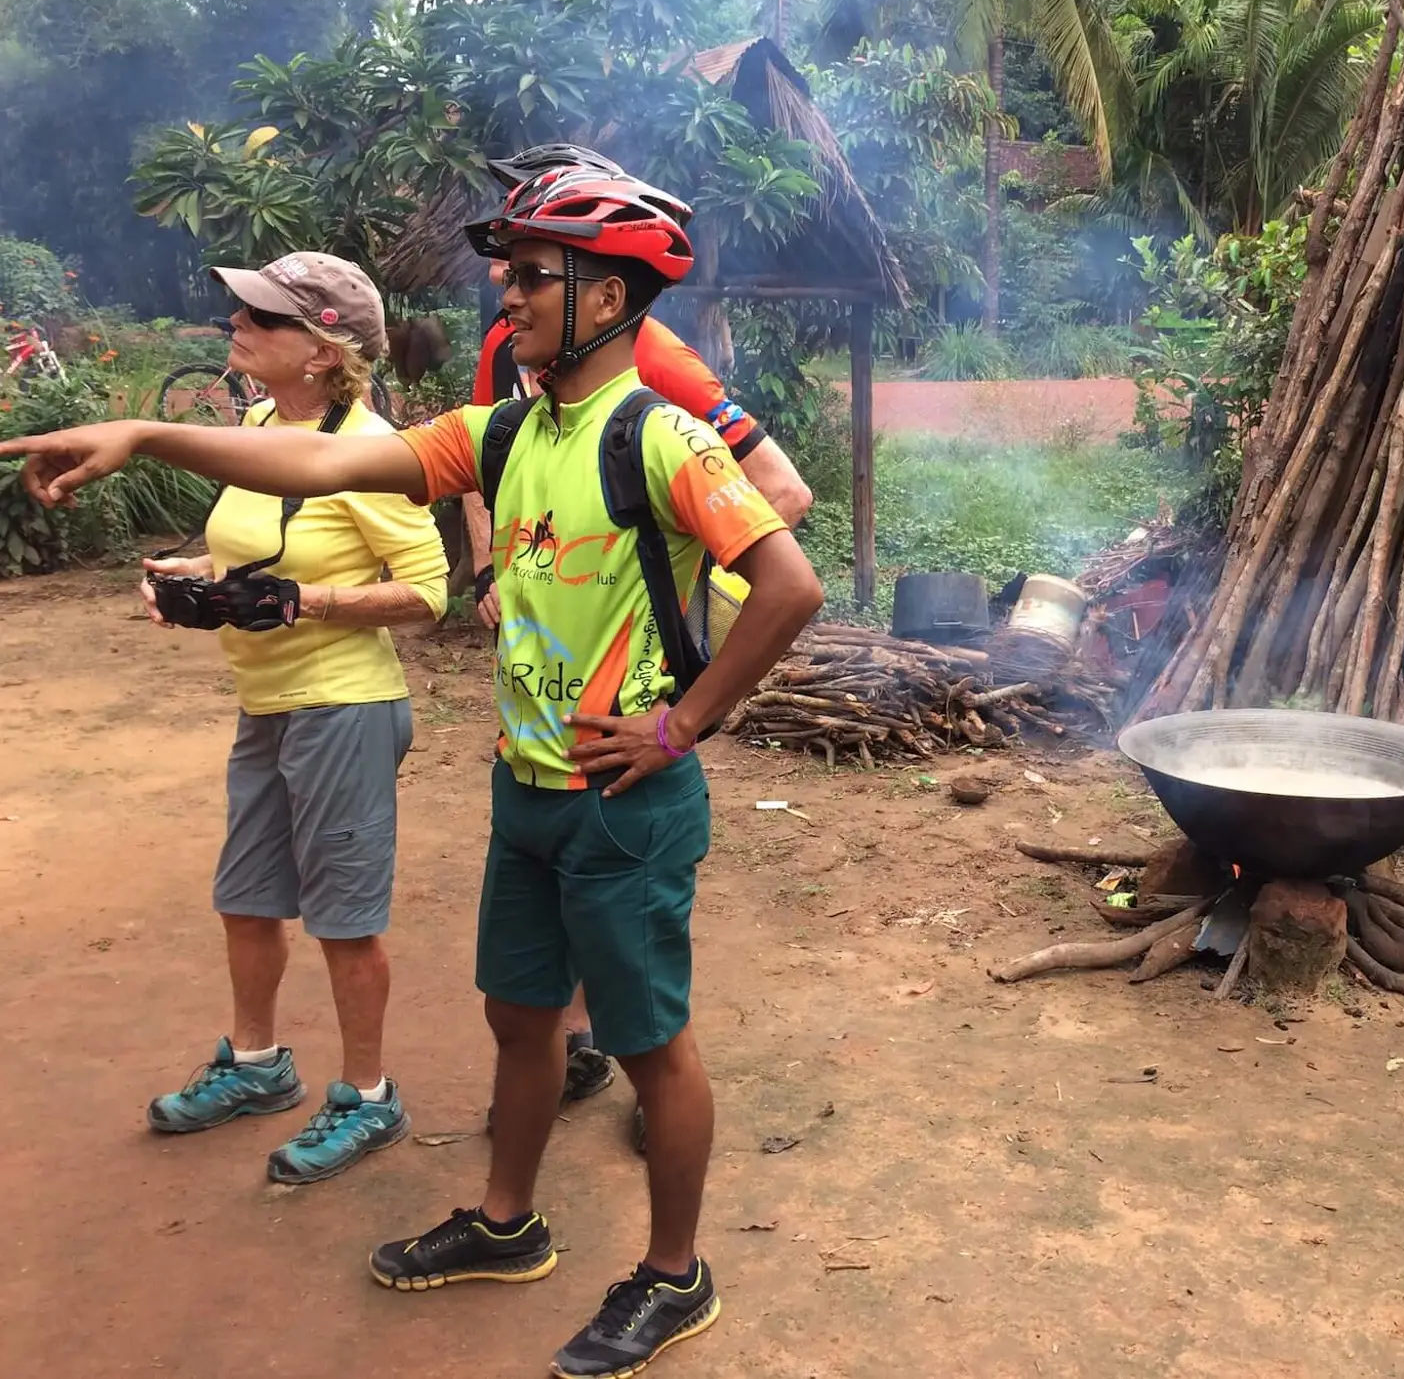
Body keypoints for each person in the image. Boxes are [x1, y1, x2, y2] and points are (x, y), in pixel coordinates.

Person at [1, 169, 826, 1377]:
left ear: (607, 292)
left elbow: (791, 584)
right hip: (524, 786)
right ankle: (506, 1224)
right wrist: (144, 435)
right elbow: (324, 470)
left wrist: (677, 725)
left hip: (624, 801)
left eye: (531, 272)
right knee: (517, 1017)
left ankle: (672, 1275)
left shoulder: (660, 431)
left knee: (650, 1046)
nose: (508, 290)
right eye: (512, 269)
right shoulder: (506, 428)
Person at [462, 145, 813, 1142]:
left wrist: (676, 658)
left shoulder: (650, 360)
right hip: (536, 729)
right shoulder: (512, 350)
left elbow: (782, 493)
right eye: (509, 249)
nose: (508, 277)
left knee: (631, 952)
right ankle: (573, 1036)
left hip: (632, 712)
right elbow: (484, 466)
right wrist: (499, 572)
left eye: (532, 259)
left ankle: (612, 1049)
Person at [138, 252, 449, 1184]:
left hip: (344, 707)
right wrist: (199, 584)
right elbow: (254, 555)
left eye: (262, 316)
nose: (236, 322)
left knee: (343, 919)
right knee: (247, 898)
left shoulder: (367, 451)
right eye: (240, 307)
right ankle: (258, 1064)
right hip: (267, 702)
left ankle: (367, 1095)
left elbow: (429, 591)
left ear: (321, 349)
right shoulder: (264, 425)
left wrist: (301, 603)